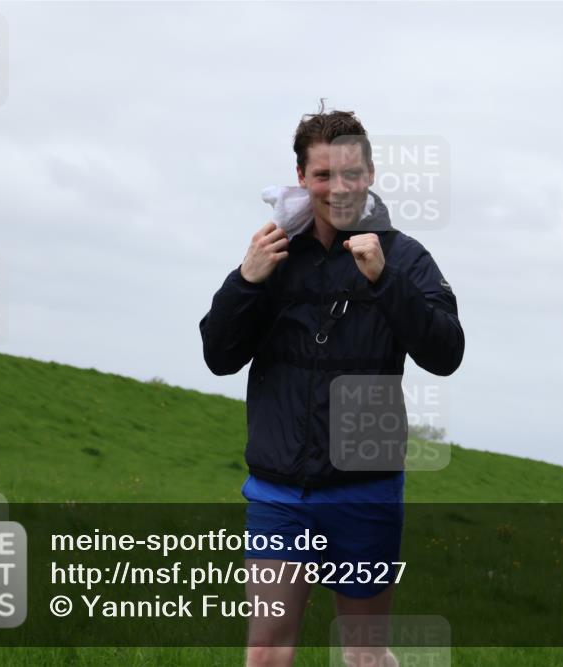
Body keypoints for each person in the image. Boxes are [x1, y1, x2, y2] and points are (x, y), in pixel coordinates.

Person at [199, 103, 465, 667]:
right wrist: (246, 281)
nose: (338, 187)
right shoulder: (271, 256)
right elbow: (218, 356)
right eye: (323, 175)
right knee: (268, 650)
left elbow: (446, 354)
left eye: (351, 174)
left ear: (369, 176)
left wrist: (384, 281)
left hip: (364, 489)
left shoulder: (405, 257)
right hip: (279, 490)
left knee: (363, 655)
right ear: (301, 177)